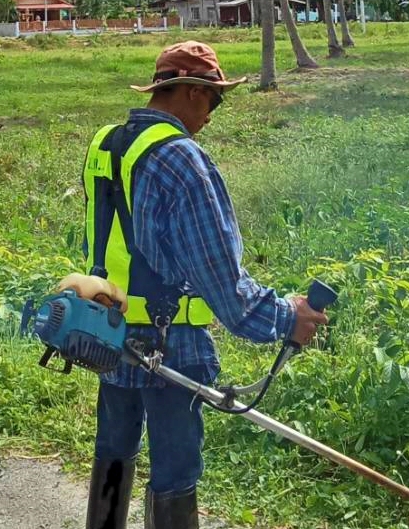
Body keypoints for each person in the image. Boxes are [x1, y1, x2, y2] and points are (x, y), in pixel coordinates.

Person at [81, 41, 329, 529]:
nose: (214, 114)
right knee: (175, 473)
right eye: (214, 99)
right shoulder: (183, 161)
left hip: (107, 334)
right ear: (192, 92)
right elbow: (223, 285)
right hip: (171, 344)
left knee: (114, 453)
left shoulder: (107, 143)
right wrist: (287, 317)